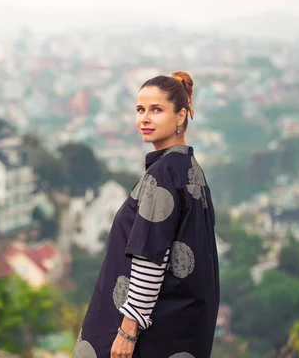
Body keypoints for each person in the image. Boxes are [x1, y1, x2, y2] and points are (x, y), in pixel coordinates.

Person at [73, 72, 220, 358]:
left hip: (145, 334)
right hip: (181, 330)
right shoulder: (189, 169)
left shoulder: (163, 174)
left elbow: (150, 258)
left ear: (181, 117)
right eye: (140, 110)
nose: (145, 118)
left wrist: (128, 331)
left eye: (156, 109)